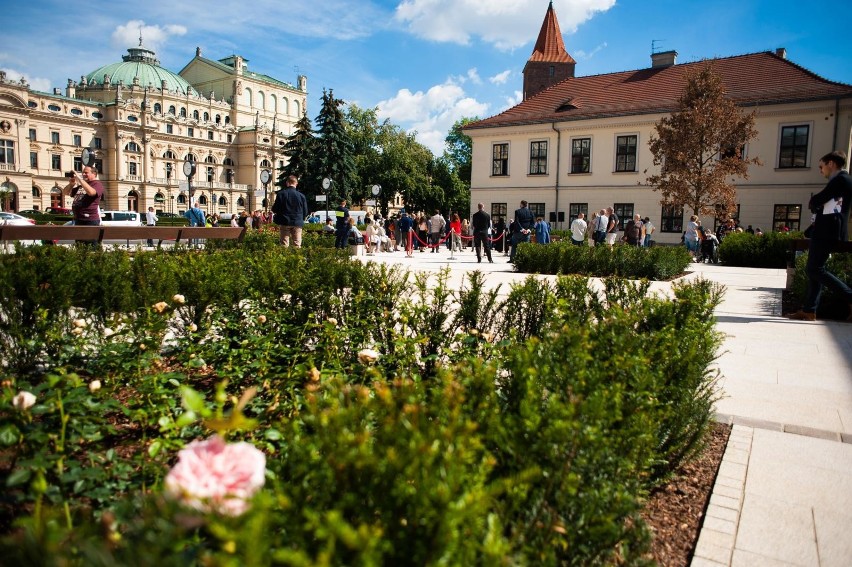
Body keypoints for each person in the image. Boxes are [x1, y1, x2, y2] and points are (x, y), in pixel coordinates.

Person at [788, 150, 852, 322]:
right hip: (826, 231)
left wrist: (814, 202)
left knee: (814, 269)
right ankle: (809, 310)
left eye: (821, 166)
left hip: (827, 232)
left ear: (831, 163)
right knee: (815, 270)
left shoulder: (841, 180)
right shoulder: (841, 181)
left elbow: (818, 200)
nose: (820, 170)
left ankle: (850, 297)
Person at [63, 165, 104, 244]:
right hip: (78, 220)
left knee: (91, 247)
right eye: (83, 173)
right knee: (80, 246)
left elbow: (91, 193)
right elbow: (65, 193)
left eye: (86, 173)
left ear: (94, 174)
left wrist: (80, 179)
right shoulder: (81, 186)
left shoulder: (97, 184)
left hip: (90, 221)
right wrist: (71, 184)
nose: (83, 174)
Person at [271, 175, 309, 247]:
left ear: (287, 183)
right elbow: (305, 211)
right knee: (297, 244)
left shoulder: (281, 194)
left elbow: (275, 209)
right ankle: (297, 257)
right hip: (297, 222)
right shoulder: (301, 196)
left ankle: (285, 257)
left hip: (285, 221)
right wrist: (301, 218)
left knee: (284, 244)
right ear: (296, 183)